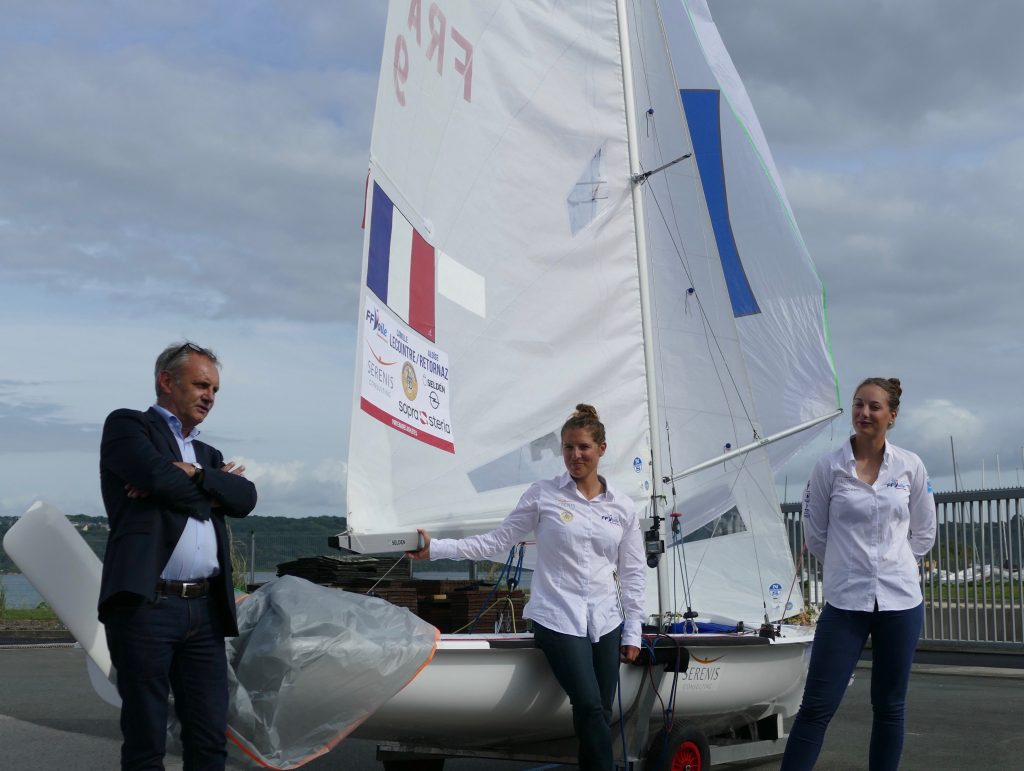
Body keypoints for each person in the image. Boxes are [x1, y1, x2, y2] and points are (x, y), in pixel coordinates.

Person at [407, 404, 646, 771]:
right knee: (588, 705)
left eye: (583, 447)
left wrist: (633, 630)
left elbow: (632, 572)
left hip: (606, 620)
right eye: (568, 447)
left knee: (601, 708)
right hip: (556, 615)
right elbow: (496, 541)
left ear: (601, 449)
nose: (575, 455)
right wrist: (435, 548)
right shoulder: (543, 494)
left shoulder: (623, 507)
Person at [98, 341, 258, 771]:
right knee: (146, 738)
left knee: (208, 738)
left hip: (205, 611)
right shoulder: (127, 427)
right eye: (201, 384)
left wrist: (197, 474)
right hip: (147, 606)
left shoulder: (208, 456)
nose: (209, 396)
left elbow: (246, 499)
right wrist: (212, 490)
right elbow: (155, 476)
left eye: (216, 390)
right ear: (166, 381)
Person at [780, 377, 936, 771]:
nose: (864, 413)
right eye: (858, 405)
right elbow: (816, 535)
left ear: (892, 416)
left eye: (874, 407)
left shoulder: (911, 466)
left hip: (900, 602)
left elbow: (925, 532)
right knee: (816, 706)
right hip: (846, 602)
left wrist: (893, 563)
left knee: (889, 707)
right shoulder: (828, 467)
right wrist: (850, 567)